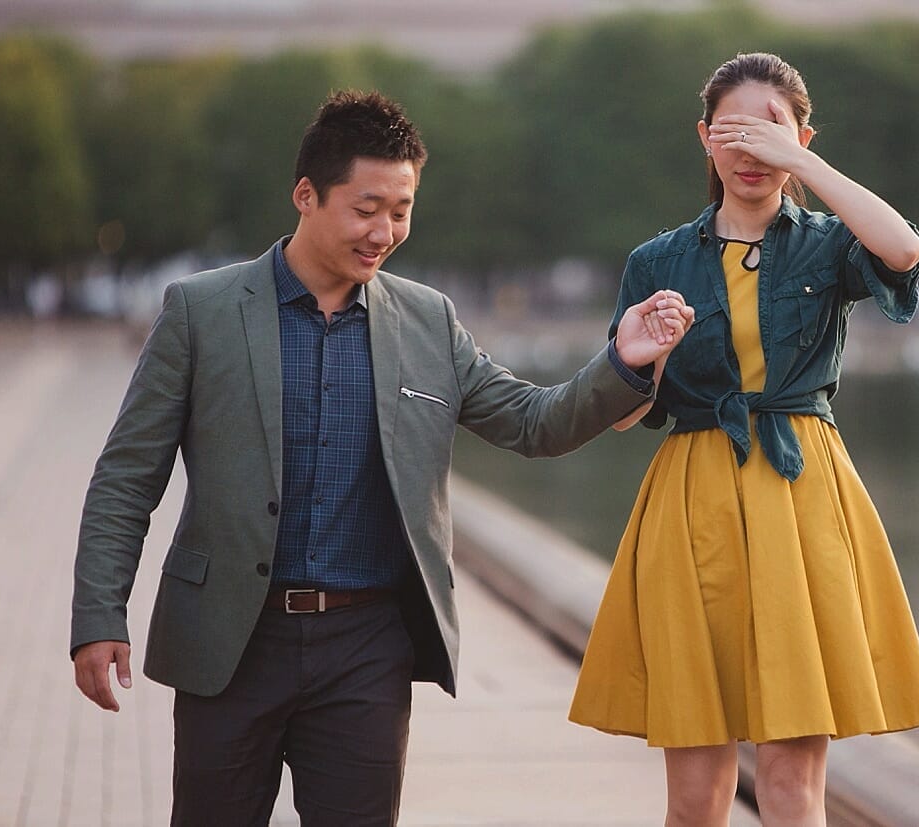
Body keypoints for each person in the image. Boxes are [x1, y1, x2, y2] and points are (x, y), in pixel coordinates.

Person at [71, 89, 694, 826]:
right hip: (231, 640)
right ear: (306, 195)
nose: (385, 231)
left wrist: (621, 360)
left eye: (401, 210)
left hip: (367, 648)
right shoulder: (200, 310)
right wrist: (98, 614)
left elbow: (534, 423)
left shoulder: (428, 320)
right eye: (366, 209)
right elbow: (127, 477)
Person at [568, 52, 919, 826]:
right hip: (691, 501)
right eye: (732, 131)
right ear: (704, 138)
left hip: (801, 495)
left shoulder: (828, 244)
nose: (750, 149)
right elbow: (628, 415)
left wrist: (802, 163)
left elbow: (903, 251)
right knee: (696, 794)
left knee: (793, 782)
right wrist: (643, 360)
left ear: (802, 138)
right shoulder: (657, 261)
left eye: (770, 130)